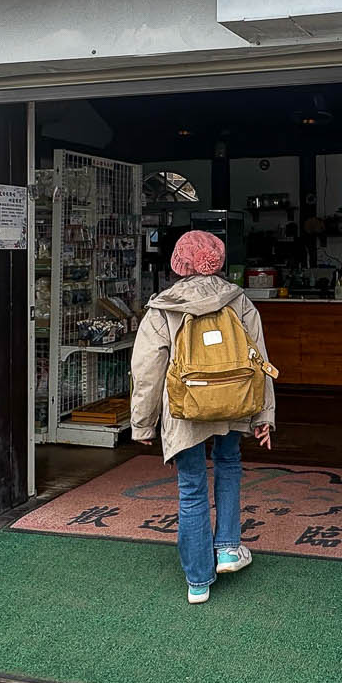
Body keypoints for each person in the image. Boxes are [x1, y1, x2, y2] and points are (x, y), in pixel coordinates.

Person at [130, 229, 276, 604]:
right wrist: (264, 415)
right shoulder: (238, 300)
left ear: (179, 264)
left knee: (191, 486)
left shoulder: (162, 308)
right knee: (228, 465)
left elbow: (147, 370)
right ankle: (228, 547)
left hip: (185, 407)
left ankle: (198, 581)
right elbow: (259, 358)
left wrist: (143, 423)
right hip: (234, 399)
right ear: (218, 261)